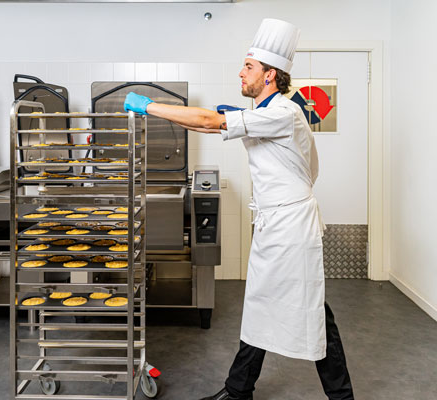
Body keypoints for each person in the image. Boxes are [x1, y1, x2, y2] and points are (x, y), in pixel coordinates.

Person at [124, 18, 354, 400]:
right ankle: (238, 389)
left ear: (270, 75)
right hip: (274, 225)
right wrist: (209, 120)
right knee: (263, 306)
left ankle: (338, 397)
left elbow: (209, 120)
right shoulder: (267, 113)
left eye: (248, 67)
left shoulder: (282, 112)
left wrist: (150, 106)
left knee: (313, 313)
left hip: (291, 228)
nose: (240, 73)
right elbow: (211, 127)